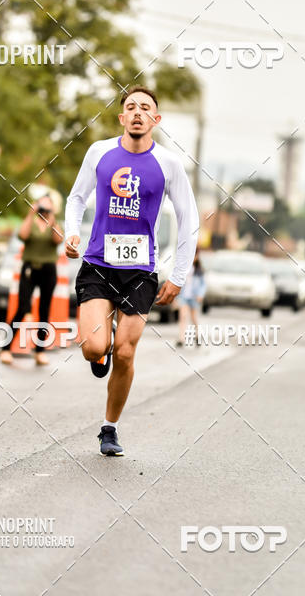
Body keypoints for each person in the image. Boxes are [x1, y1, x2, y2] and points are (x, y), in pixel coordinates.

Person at [65, 87, 198, 456]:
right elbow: (76, 197)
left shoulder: (169, 164)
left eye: (145, 108)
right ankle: (99, 352)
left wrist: (179, 276)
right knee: (94, 347)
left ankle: (109, 428)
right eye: (130, 107)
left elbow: (189, 219)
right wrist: (72, 231)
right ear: (122, 118)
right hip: (97, 263)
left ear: (156, 119)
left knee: (126, 352)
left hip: (140, 270)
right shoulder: (100, 152)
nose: (137, 112)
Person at [0, 195, 63, 367]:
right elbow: (22, 235)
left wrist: (52, 220)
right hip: (30, 269)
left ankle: (40, 351)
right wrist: (31, 214)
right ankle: (5, 348)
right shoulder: (32, 222)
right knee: (23, 308)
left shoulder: (54, 224)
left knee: (44, 310)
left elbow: (58, 240)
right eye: (42, 206)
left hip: (48, 269)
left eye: (48, 206)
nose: (45, 209)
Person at [176, 250, 206, 347]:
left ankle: (198, 336)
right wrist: (176, 297)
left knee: (194, 318)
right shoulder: (183, 268)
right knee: (183, 316)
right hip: (184, 296)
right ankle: (181, 338)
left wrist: (200, 295)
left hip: (194, 297)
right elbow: (178, 282)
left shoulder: (199, 271)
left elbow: (203, 285)